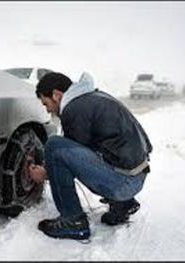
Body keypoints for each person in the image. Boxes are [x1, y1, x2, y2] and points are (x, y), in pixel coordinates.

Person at [27, 72, 152, 240]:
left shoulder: (74, 109)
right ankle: (123, 204)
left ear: (57, 95)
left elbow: (69, 160)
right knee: (75, 149)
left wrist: (46, 174)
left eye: (46, 103)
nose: (48, 110)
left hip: (123, 183)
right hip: (138, 176)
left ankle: (73, 221)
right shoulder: (95, 97)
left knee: (54, 146)